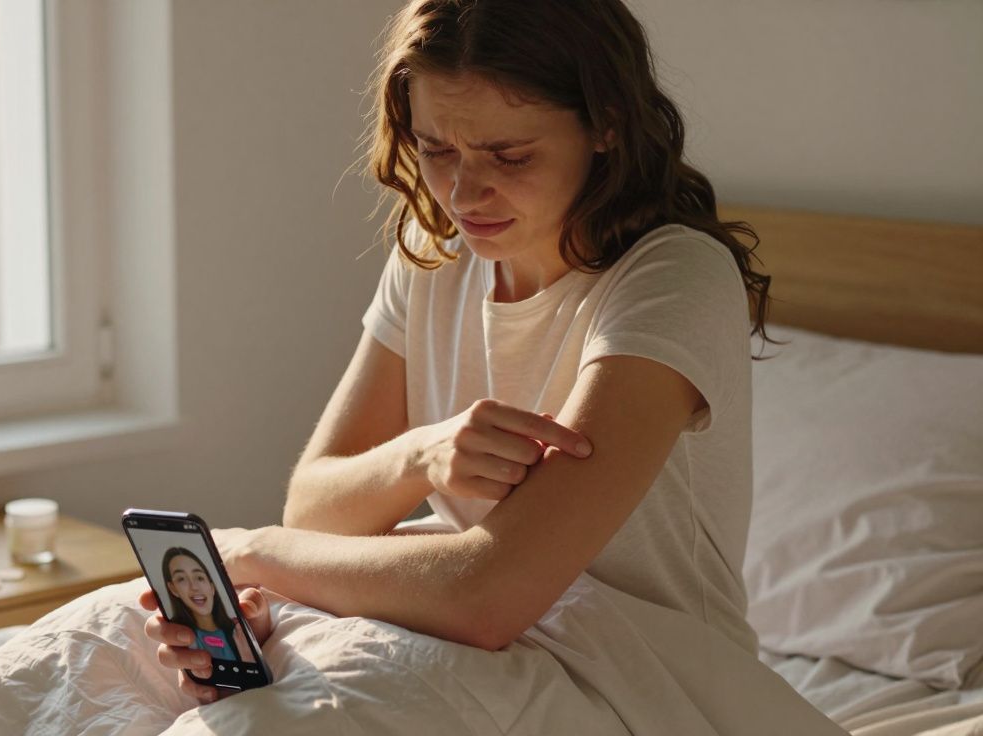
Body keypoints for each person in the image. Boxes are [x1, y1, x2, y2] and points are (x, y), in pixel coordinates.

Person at [141, 0, 845, 731]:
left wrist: (251, 555)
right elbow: (315, 509)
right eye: (436, 149)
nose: (462, 193)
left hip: (648, 671)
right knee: (96, 651)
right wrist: (421, 455)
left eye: (509, 156)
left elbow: (488, 596)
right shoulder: (437, 251)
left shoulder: (674, 279)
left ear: (607, 123)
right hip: (457, 624)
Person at [160, 547, 255, 664]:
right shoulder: (183, 641)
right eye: (181, 579)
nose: (194, 586)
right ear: (173, 589)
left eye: (199, 577)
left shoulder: (238, 630)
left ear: (212, 587)